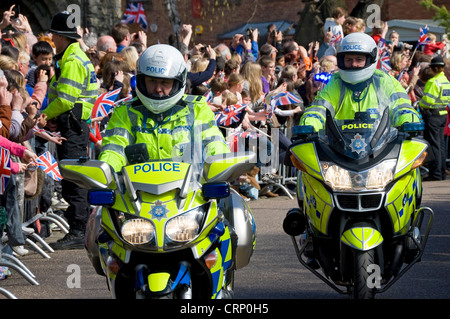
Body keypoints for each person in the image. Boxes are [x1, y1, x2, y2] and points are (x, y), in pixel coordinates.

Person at [98, 44, 229, 173]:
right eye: (152, 81)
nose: (158, 88)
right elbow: (113, 148)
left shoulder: (197, 110)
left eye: (165, 82)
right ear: (142, 80)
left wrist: (221, 166)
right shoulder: (125, 112)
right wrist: (105, 171)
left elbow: (214, 142)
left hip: (189, 191)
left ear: (178, 81)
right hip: (137, 192)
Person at [42, 11, 98, 250]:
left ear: (59, 35)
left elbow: (65, 99)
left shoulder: (72, 60)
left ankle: (78, 228)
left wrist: (44, 115)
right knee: (71, 174)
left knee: (74, 177)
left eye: (53, 34)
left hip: (73, 124)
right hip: (70, 124)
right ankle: (78, 224)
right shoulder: (69, 56)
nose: (52, 38)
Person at [300, 32, 420, 131]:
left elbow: (401, 105)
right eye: (348, 59)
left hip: (381, 147)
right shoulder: (336, 82)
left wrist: (409, 121)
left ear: (370, 59)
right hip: (340, 148)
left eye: (359, 59)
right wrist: (309, 124)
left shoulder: (384, 80)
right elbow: (320, 108)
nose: (353, 64)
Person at [419, 56, 450, 181]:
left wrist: (420, 104)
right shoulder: (446, 81)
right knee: (441, 145)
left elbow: (427, 101)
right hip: (443, 114)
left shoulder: (433, 82)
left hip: (433, 115)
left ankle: (435, 174)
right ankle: (441, 172)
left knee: (434, 145)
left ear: (433, 68)